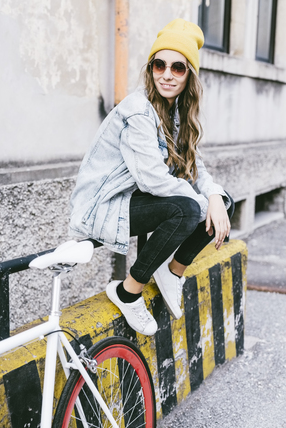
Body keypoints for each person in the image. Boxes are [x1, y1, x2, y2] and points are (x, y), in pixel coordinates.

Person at [69, 18, 234, 336]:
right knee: (187, 208)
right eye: (160, 65)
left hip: (134, 201)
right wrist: (204, 204)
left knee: (224, 202)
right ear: (151, 68)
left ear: (189, 76)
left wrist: (214, 197)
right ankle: (127, 291)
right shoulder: (138, 111)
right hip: (104, 207)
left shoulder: (175, 113)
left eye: (178, 68)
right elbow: (153, 180)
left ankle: (173, 271)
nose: (167, 75)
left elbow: (196, 168)